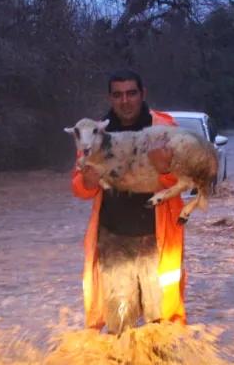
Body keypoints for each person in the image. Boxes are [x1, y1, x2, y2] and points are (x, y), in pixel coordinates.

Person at [70, 69, 187, 334]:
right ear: (110, 98)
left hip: (158, 239)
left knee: (162, 327)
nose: (125, 101)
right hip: (113, 238)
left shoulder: (164, 129)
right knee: (119, 326)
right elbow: (79, 188)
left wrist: (165, 170)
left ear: (142, 94)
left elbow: (185, 180)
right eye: (118, 95)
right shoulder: (92, 133)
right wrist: (87, 181)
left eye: (131, 93)